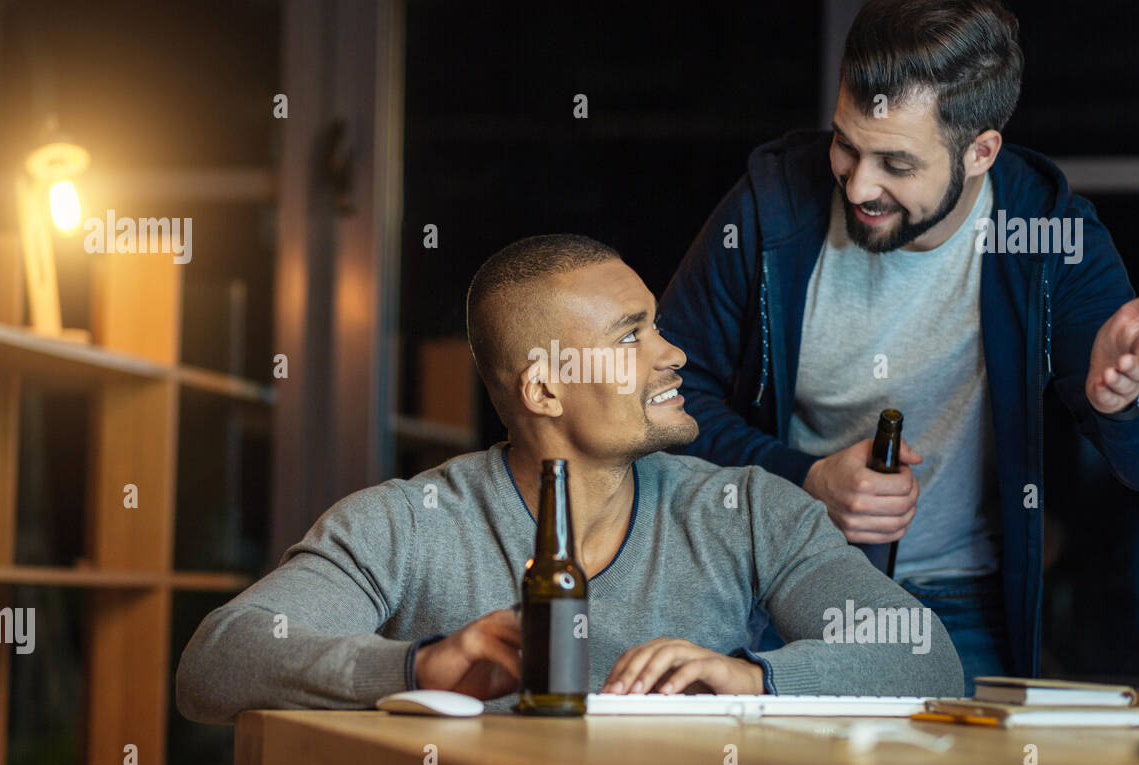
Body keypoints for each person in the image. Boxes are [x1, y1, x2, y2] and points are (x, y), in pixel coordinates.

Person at [176, 234, 962, 722]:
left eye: (656, 325)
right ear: (545, 388)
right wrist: (419, 666)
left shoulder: (744, 507)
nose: (674, 354)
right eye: (632, 337)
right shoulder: (404, 522)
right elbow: (217, 660)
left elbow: (925, 656)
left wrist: (751, 678)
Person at [658, 0, 1139, 694]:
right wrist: (804, 480)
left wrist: (1127, 403)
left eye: (897, 164)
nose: (858, 187)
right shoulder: (771, 205)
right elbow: (662, 403)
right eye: (845, 147)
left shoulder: (1049, 237)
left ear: (980, 151)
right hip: (775, 594)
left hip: (959, 606)